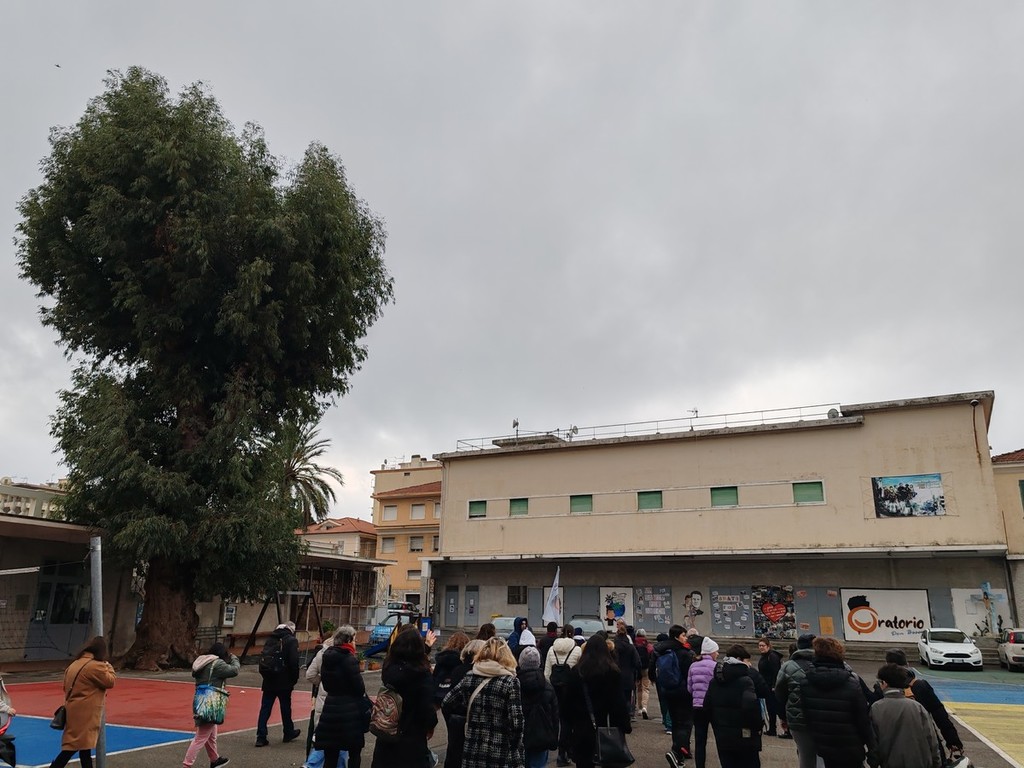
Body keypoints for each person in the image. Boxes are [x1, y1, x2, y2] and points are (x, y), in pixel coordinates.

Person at [442, 637, 525, 768]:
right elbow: (517, 723)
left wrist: (467, 716)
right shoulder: (510, 682)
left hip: (472, 748)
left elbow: (447, 702)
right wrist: (515, 747)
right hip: (500, 749)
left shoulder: (470, 677)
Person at [560, 632, 631, 768]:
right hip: (607, 727)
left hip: (582, 728)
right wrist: (624, 725)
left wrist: (568, 730)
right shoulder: (612, 673)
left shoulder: (577, 672)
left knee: (584, 763)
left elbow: (567, 704)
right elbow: (619, 703)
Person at [800, 637, 873, 768]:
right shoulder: (851, 683)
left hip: (825, 744)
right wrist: (872, 746)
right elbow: (863, 719)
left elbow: (807, 715)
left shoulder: (806, 683)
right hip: (851, 745)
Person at [370, 627, 438, 768]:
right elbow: (427, 708)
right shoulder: (421, 675)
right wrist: (431, 724)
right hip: (411, 737)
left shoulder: (389, 670)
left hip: (387, 732)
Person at [882, 648, 964, 763]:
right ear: (907, 665)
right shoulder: (920, 686)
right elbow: (940, 715)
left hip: (893, 748)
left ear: (886, 665)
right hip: (925, 743)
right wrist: (953, 741)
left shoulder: (882, 690)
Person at [47, 635, 117, 768]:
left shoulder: (75, 664)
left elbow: (65, 686)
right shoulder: (95, 666)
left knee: (83, 747)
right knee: (73, 747)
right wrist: (109, 667)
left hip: (73, 708)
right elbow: (110, 681)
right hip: (86, 712)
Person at [869, 664, 940, 768]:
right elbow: (931, 738)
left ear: (884, 683)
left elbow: (873, 741)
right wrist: (936, 762)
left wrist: (874, 763)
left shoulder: (876, 708)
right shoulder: (917, 707)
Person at [316, 625, 366, 768]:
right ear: (348, 640)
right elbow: (359, 688)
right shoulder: (349, 659)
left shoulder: (327, 657)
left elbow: (325, 684)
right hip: (349, 712)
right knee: (354, 752)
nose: (355, 643)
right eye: (354, 640)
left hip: (330, 708)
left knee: (330, 754)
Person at [183, 641, 238, 768]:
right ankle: (187, 765)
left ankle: (214, 759)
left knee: (211, 734)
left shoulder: (202, 663)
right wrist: (234, 658)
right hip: (211, 703)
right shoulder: (217, 663)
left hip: (200, 700)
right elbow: (234, 670)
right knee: (201, 737)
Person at [704, 655, 763, 768]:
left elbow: (706, 707)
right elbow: (751, 707)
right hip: (744, 735)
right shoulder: (746, 681)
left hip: (722, 735)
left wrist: (716, 724)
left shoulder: (714, 682)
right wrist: (758, 726)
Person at [775, 634, 824, 768]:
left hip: (798, 718)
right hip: (824, 716)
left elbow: (780, 693)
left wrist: (784, 715)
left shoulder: (788, 666)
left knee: (805, 756)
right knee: (824, 756)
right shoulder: (829, 662)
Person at [653, 624, 696, 768]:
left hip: (668, 690)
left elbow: (654, 669)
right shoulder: (684, 653)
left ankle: (677, 750)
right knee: (685, 723)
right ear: (677, 636)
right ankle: (678, 753)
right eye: (683, 635)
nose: (685, 638)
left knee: (676, 722)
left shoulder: (662, 650)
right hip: (683, 692)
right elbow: (688, 673)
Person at [256, 621, 301, 747]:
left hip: (269, 678)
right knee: (285, 707)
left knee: (265, 708)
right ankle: (288, 732)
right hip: (284, 679)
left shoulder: (270, 639)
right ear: (291, 630)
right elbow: (294, 661)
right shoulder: (291, 641)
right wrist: (294, 678)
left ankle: (261, 736)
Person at [442, 639, 485, 768]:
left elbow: (447, 701)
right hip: (473, 720)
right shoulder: (479, 673)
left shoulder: (457, 670)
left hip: (456, 720)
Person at [544, 624, 582, 767]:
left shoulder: (551, 649)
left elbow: (547, 673)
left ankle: (556, 747)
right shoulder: (577, 650)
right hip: (570, 691)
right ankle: (564, 752)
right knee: (568, 722)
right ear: (573, 633)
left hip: (554, 690)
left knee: (556, 720)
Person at [519, 646, 560, 768]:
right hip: (541, 736)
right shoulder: (547, 687)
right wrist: (553, 738)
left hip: (520, 736)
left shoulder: (514, 685)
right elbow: (555, 715)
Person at [305, 632, 341, 768]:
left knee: (319, 734)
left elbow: (310, 674)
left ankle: (311, 763)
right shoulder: (344, 656)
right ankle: (312, 763)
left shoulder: (321, 653)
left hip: (322, 697)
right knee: (338, 739)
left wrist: (320, 682)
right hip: (338, 701)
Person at [687, 636, 719, 768]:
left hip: (697, 706)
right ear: (711, 652)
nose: (717, 653)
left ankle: (700, 765)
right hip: (713, 707)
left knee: (700, 740)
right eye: (716, 651)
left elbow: (689, 687)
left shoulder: (693, 666)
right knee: (719, 738)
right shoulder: (716, 666)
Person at [433, 631, 470, 707]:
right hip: (455, 697)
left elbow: (434, 676)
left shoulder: (442, 658)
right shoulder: (464, 661)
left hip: (439, 694)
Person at [612, 619, 641, 718]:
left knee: (616, 696)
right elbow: (637, 662)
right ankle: (627, 715)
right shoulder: (631, 647)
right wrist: (637, 674)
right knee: (628, 697)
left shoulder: (614, 648)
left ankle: (617, 715)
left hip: (616, 674)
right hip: (628, 675)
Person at [756, 639, 783, 736]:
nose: (761, 647)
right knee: (769, 708)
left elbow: (776, 672)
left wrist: (774, 685)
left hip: (771, 687)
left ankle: (774, 729)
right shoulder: (764, 656)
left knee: (773, 708)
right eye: (759, 645)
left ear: (768, 646)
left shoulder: (772, 657)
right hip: (765, 685)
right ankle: (771, 728)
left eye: (763, 645)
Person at [634, 628, 653, 720]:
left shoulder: (634, 644)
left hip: (637, 668)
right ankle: (645, 707)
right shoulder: (648, 645)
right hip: (646, 668)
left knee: (639, 688)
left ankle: (640, 708)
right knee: (646, 688)